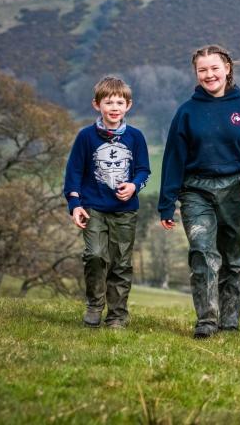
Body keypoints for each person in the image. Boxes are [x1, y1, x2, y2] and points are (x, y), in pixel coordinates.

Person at [158, 45, 240, 339]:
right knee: (203, 253)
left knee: (234, 258)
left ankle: (230, 319)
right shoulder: (186, 113)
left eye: (214, 68)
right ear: (196, 74)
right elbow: (173, 159)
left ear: (227, 69)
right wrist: (167, 202)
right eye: (202, 70)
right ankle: (207, 320)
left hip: (236, 189)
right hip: (196, 189)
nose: (209, 75)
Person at [64, 76, 150, 329]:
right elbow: (73, 173)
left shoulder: (135, 137)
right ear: (96, 105)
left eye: (119, 102)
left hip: (125, 211)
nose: (114, 107)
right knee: (95, 255)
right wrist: (75, 204)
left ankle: (117, 315)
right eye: (108, 102)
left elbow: (144, 170)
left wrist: (134, 185)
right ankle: (94, 304)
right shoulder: (86, 137)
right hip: (93, 207)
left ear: (128, 106)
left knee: (121, 262)